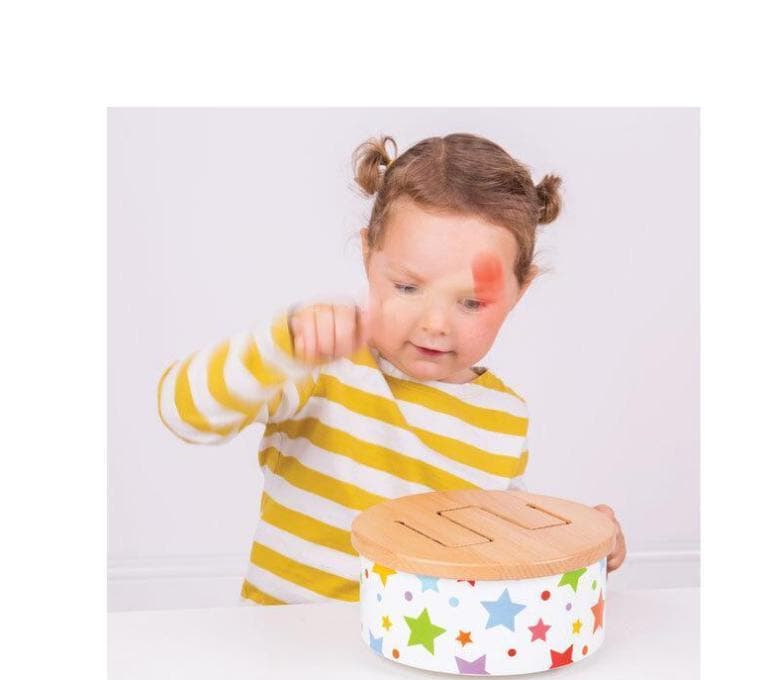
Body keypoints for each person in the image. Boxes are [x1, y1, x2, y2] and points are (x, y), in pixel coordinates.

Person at [157, 132, 627, 606]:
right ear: (368, 257)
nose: (436, 323)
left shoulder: (504, 416)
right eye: (406, 287)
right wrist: (282, 346)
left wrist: (579, 541)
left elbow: (500, 558)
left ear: (518, 293)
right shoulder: (324, 367)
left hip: (415, 663)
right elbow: (184, 413)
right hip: (286, 658)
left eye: (471, 301)